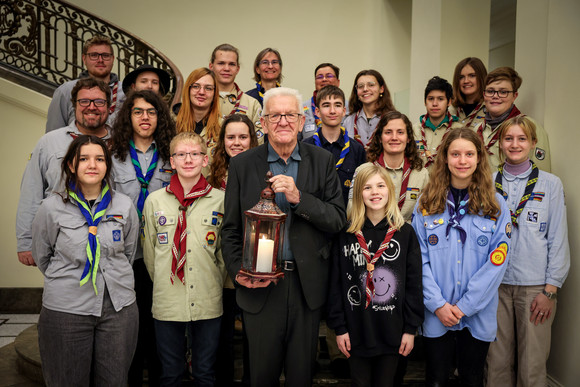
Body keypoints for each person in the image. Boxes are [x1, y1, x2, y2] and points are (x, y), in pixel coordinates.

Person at [221, 87, 346, 386]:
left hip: (306, 288)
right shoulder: (242, 165)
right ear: (263, 123)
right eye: (275, 115)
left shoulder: (322, 161)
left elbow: (337, 220)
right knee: (260, 376)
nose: (283, 121)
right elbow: (230, 229)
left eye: (290, 114)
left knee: (301, 376)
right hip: (260, 288)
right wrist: (239, 271)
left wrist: (298, 198)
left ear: (302, 121)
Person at [31, 135, 139, 386]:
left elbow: (129, 252)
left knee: (114, 380)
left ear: (107, 165)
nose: (93, 165)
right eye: (84, 159)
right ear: (71, 165)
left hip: (118, 308)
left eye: (100, 159)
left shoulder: (123, 204)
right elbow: (42, 255)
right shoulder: (51, 207)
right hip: (66, 309)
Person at [411, 128, 511, 387]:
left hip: (478, 312)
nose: (462, 161)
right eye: (455, 154)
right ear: (444, 158)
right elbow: (418, 260)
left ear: (479, 158)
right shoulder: (426, 203)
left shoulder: (496, 205)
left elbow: (497, 262)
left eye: (469, 154)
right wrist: (438, 304)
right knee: (436, 379)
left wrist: (466, 306)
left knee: (471, 378)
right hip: (437, 311)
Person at [486, 116, 570, 387]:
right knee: (495, 362)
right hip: (495, 286)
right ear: (500, 143)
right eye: (508, 138)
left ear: (533, 143)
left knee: (532, 366)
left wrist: (550, 290)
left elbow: (558, 239)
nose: (515, 144)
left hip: (535, 288)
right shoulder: (487, 182)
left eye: (522, 138)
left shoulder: (551, 184)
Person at [327, 163, 423, 387]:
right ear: (359, 193)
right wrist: (339, 328)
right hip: (356, 331)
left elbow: (414, 285)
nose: (375, 192)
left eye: (380, 186)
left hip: (392, 333)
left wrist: (411, 329)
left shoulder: (405, 233)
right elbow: (335, 284)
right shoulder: (347, 233)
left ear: (390, 190)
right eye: (367, 187)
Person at [142, 132, 226, 386]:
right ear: (172, 161)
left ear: (205, 160)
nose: (188, 159)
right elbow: (150, 252)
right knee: (170, 374)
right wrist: (165, 284)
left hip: (208, 299)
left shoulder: (221, 200)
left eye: (194, 154)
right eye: (181, 154)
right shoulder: (154, 201)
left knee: (204, 373)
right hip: (168, 301)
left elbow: (223, 254)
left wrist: (212, 281)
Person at [110, 89, 176, 387]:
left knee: (159, 326)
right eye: (138, 111)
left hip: (162, 253)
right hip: (126, 255)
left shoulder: (172, 154)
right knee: (129, 326)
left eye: (151, 111)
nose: (145, 117)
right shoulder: (113, 155)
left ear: (160, 117)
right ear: (128, 116)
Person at [17, 77, 113, 267]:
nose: (91, 107)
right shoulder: (49, 143)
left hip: (110, 240)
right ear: (74, 106)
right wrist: (26, 242)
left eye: (99, 102)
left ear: (109, 107)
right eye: (84, 101)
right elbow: (31, 190)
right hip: (59, 242)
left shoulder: (121, 142)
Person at [207, 113, 258, 387]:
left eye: (243, 137)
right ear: (222, 141)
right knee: (222, 333)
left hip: (251, 260)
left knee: (252, 332)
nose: (236, 143)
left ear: (252, 140)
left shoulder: (262, 170)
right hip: (217, 262)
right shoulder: (211, 173)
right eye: (231, 137)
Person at [474, 67, 551, 171]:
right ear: (484, 95)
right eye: (490, 91)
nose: (495, 96)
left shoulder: (530, 126)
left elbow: (541, 172)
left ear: (514, 96)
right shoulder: (477, 130)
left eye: (503, 92)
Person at [46, 35, 124, 132]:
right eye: (94, 55)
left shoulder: (125, 92)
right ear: (84, 58)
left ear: (112, 59)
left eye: (105, 55)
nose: (100, 60)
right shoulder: (65, 91)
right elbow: (53, 133)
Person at [303, 85, 366, 205]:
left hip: (347, 219)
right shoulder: (305, 147)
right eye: (326, 105)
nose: (332, 111)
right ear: (317, 112)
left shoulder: (357, 149)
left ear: (343, 111)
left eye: (337, 105)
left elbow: (361, 189)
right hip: (314, 218)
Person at [361, 111, 429, 222]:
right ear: (379, 138)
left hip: (408, 235)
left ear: (408, 138)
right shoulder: (364, 171)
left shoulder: (421, 174)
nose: (394, 137)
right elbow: (353, 210)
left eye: (400, 132)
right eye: (388, 132)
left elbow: (426, 215)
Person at [209, 43, 264, 142]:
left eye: (231, 64)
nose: (226, 68)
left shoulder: (252, 104)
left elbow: (258, 144)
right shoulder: (200, 100)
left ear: (237, 69)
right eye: (221, 63)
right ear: (211, 66)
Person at [175, 67, 221, 167]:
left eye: (208, 88)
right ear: (188, 89)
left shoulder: (224, 127)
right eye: (196, 86)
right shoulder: (171, 123)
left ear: (215, 93)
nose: (201, 92)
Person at [413, 76, 461, 170]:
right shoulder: (414, 130)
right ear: (425, 101)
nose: (435, 103)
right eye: (430, 99)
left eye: (440, 99)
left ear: (449, 102)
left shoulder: (458, 130)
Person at [344, 69, 395, 148]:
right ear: (356, 92)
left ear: (381, 89)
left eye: (371, 85)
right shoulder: (349, 121)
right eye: (360, 86)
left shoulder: (393, 119)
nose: (365, 89)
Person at [301, 62, 344, 139]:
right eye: (320, 77)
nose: (324, 79)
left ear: (338, 82)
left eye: (329, 76)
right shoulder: (301, 108)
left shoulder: (349, 108)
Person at [449, 57, 487, 129]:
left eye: (472, 76)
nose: (466, 81)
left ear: (481, 78)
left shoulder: (490, 109)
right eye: (461, 77)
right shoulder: (451, 110)